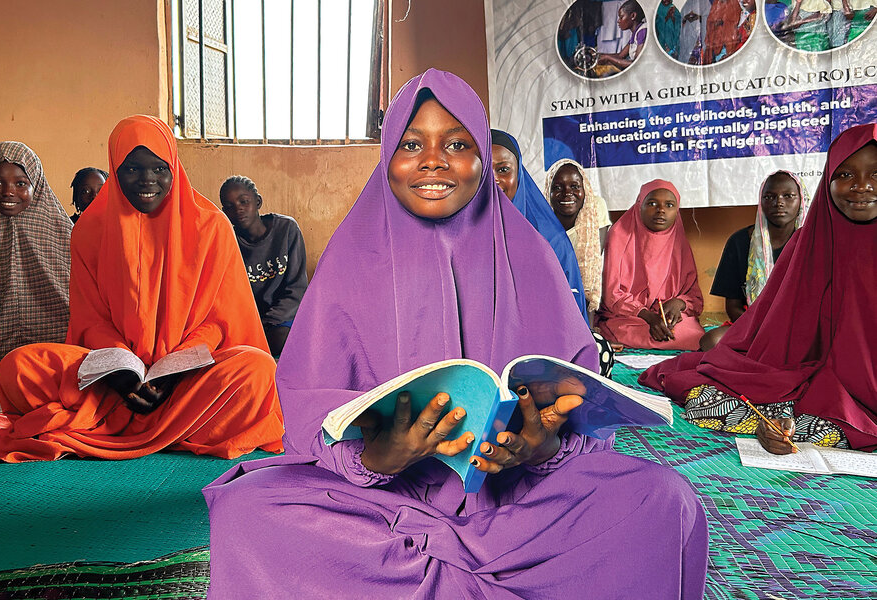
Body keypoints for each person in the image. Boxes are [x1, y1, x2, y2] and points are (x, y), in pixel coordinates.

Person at [204, 69, 708, 599]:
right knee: (247, 508)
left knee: (664, 500)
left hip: (519, 501)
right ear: (387, 158)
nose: (433, 160)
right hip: (379, 502)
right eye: (411, 144)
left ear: (483, 159)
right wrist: (377, 458)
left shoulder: (531, 257)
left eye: (458, 143)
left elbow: (578, 405)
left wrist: (541, 447)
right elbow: (308, 417)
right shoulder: (347, 262)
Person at [0, 115, 284, 462]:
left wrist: (173, 370)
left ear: (174, 168)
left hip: (187, 378)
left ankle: (123, 425)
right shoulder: (90, 230)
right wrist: (120, 371)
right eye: (132, 169)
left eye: (159, 169)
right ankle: (180, 427)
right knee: (16, 368)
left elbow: (220, 321)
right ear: (115, 168)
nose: (147, 180)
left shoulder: (210, 227)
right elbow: (91, 320)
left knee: (258, 369)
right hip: (112, 381)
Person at [640, 124, 877, 454]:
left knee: (833, 421)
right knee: (706, 399)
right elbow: (776, 329)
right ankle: (784, 423)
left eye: (875, 175)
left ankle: (809, 421)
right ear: (828, 182)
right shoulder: (807, 245)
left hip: (863, 390)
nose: (861, 187)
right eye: (846, 174)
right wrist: (783, 413)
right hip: (801, 377)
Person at [0, 142, 72, 406]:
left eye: (21, 183)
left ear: (37, 184)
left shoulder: (65, 233)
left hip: (62, 364)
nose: (8, 192)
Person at [700, 171, 810, 351]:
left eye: (788, 196)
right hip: (753, 326)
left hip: (800, 328)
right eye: (769, 196)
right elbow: (733, 306)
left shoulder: (813, 242)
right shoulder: (740, 242)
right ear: (761, 201)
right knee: (711, 341)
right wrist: (760, 329)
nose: (779, 202)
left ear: (802, 200)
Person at [491, 130, 589, 324]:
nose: (493, 179)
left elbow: (570, 316)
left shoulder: (549, 237)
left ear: (518, 173)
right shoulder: (458, 232)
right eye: (484, 170)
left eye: (503, 170)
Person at [596, 180, 705, 350]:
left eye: (669, 205)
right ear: (639, 205)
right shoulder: (619, 234)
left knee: (692, 334)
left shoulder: (678, 240)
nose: (661, 210)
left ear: (677, 211)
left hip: (665, 317)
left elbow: (694, 298)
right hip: (628, 316)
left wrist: (678, 303)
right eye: (652, 203)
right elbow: (612, 295)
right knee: (625, 329)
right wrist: (648, 317)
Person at [219, 175, 308, 358]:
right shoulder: (228, 241)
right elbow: (228, 297)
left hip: (282, 318)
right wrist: (250, 327)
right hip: (249, 322)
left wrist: (268, 322)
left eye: (244, 201)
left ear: (258, 202)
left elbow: (297, 289)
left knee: (281, 341)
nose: (238, 210)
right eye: (229, 207)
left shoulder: (286, 230)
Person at [544, 158, 611, 325]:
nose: (567, 193)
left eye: (575, 186)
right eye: (558, 187)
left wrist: (588, 331)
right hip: (551, 298)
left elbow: (591, 269)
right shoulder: (541, 218)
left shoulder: (595, 208)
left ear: (585, 189)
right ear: (548, 191)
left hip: (583, 298)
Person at [595, 0, 647, 75]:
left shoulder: (642, 31)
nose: (618, 21)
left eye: (621, 17)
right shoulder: (635, 32)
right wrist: (597, 55)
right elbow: (620, 55)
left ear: (633, 16)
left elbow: (636, 63)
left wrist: (607, 58)